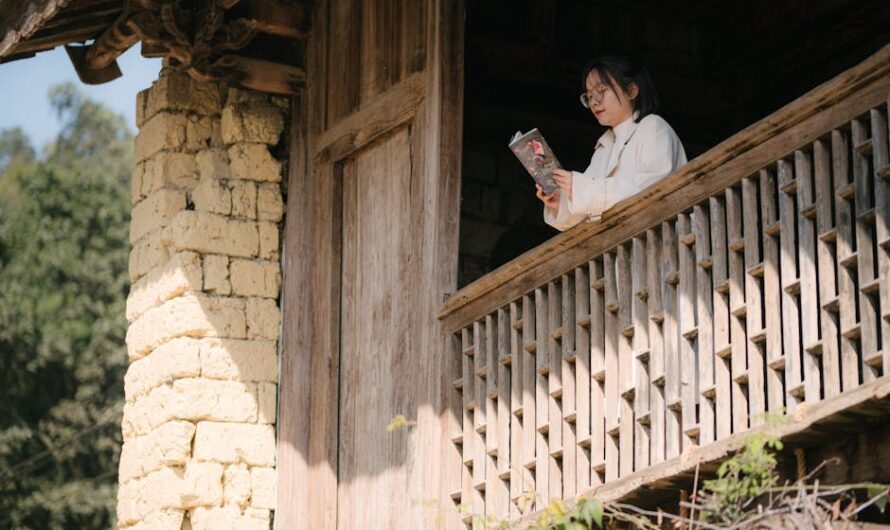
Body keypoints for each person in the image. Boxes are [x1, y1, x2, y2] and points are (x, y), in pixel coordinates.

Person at [536, 56, 687, 231]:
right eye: (589, 95)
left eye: (601, 90)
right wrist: (561, 201)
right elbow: (589, 205)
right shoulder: (604, 148)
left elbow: (652, 188)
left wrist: (580, 188)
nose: (594, 101)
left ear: (631, 90)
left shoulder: (653, 127)